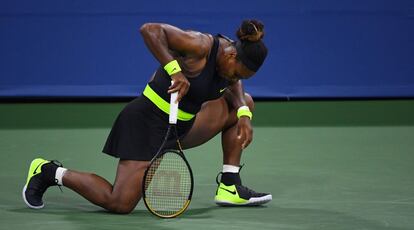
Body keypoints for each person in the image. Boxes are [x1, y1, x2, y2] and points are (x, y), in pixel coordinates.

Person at [22, 19, 272, 214]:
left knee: (245, 104)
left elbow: (234, 87)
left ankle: (229, 184)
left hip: (182, 126)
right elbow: (149, 30)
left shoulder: (230, 65)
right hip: (147, 122)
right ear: (231, 55)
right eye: (236, 73)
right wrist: (175, 71)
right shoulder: (200, 45)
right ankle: (48, 172)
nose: (235, 79)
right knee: (120, 203)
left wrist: (243, 114)